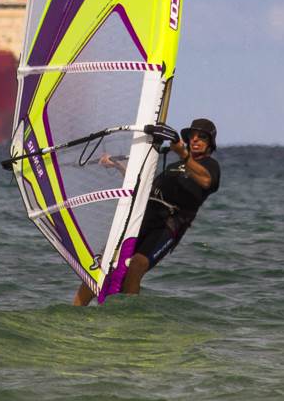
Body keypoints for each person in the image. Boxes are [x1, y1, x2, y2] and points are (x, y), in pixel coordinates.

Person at [73, 118, 220, 305]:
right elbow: (144, 188)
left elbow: (206, 181)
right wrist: (116, 165)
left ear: (210, 143)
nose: (195, 140)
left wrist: (183, 153)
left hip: (167, 225)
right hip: (144, 216)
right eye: (192, 136)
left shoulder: (210, 167)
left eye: (202, 137)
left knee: (137, 264)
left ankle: (127, 316)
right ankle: (77, 310)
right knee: (104, 262)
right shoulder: (173, 167)